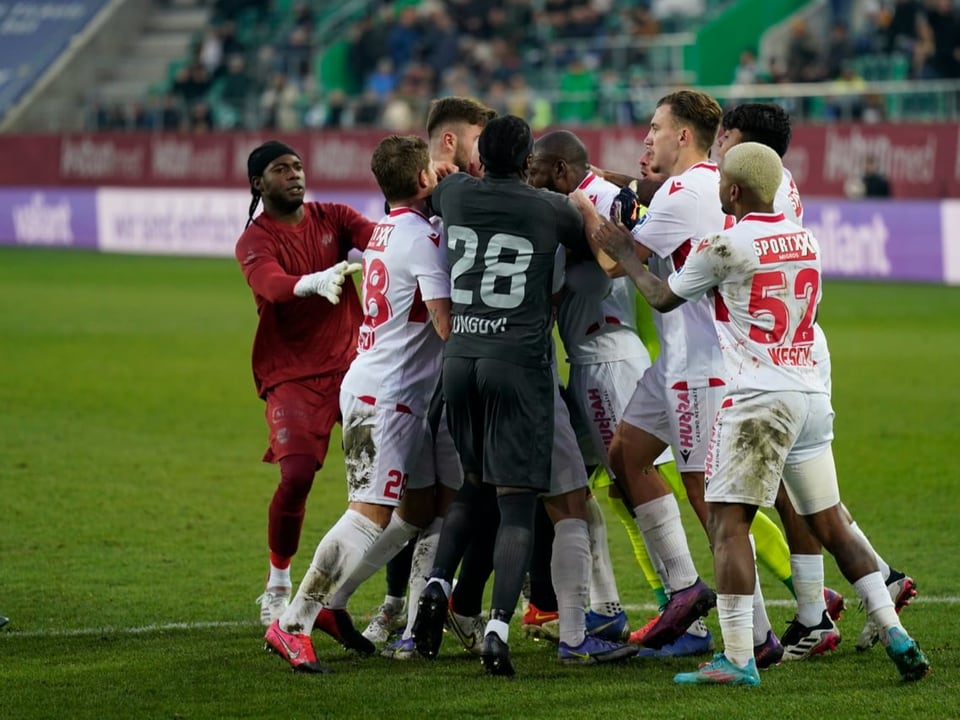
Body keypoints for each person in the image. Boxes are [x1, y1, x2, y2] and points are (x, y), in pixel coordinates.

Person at [594, 140, 930, 686]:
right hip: (810, 396)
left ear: (732, 190)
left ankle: (738, 659)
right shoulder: (806, 237)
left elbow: (660, 296)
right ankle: (896, 633)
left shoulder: (724, 244)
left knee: (727, 524)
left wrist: (627, 254)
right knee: (831, 523)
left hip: (758, 401)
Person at [412, 115, 635, 675]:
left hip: (460, 358)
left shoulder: (455, 194)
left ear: (480, 157)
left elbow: (434, 186)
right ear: (529, 163)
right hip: (521, 365)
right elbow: (602, 243)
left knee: (472, 485)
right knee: (523, 505)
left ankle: (437, 583)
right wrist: (594, 193)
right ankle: (499, 629)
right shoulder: (552, 210)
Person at [716, 102, 916, 658]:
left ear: (743, 144)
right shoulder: (777, 181)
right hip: (799, 349)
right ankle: (856, 593)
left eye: (724, 133)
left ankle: (815, 612)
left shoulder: (748, 193)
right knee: (803, 493)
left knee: (791, 496)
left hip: (776, 355)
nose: (718, 142)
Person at [263, 134, 453, 672]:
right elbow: (443, 322)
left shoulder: (387, 230)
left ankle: (333, 601)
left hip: (387, 389)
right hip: (387, 397)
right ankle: (294, 622)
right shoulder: (422, 240)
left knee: (416, 508)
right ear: (422, 180)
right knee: (368, 512)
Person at [572, 90, 728, 652]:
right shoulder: (705, 182)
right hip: (673, 361)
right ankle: (686, 590)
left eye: (656, 129)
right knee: (625, 457)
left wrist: (582, 200)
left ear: (682, 136)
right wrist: (595, 175)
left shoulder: (686, 192)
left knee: (711, 500)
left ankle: (751, 633)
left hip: (698, 361)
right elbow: (643, 193)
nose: (647, 137)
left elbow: (614, 259)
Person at [525, 129, 680, 646]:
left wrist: (586, 203)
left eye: (536, 170)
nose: (530, 179)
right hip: (593, 361)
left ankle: (687, 610)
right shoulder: (594, 195)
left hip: (608, 359)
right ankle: (607, 608)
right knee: (578, 488)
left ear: (562, 171)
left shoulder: (591, 205)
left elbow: (616, 258)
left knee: (636, 488)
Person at [361, 95, 498, 648]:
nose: (480, 152)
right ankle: (400, 608)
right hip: (430, 377)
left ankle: (417, 614)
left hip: (429, 378)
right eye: (475, 139)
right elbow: (441, 312)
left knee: (434, 501)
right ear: (448, 143)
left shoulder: (443, 201)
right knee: (425, 500)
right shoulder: (432, 211)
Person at [235, 141, 375, 628]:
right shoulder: (254, 241)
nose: (294, 174)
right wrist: (311, 282)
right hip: (293, 374)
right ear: (259, 183)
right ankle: (277, 583)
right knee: (296, 477)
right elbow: (271, 284)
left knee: (389, 483)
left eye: (297, 166)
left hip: (356, 366)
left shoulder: (332, 216)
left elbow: (377, 237)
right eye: (280, 169)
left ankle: (391, 601)